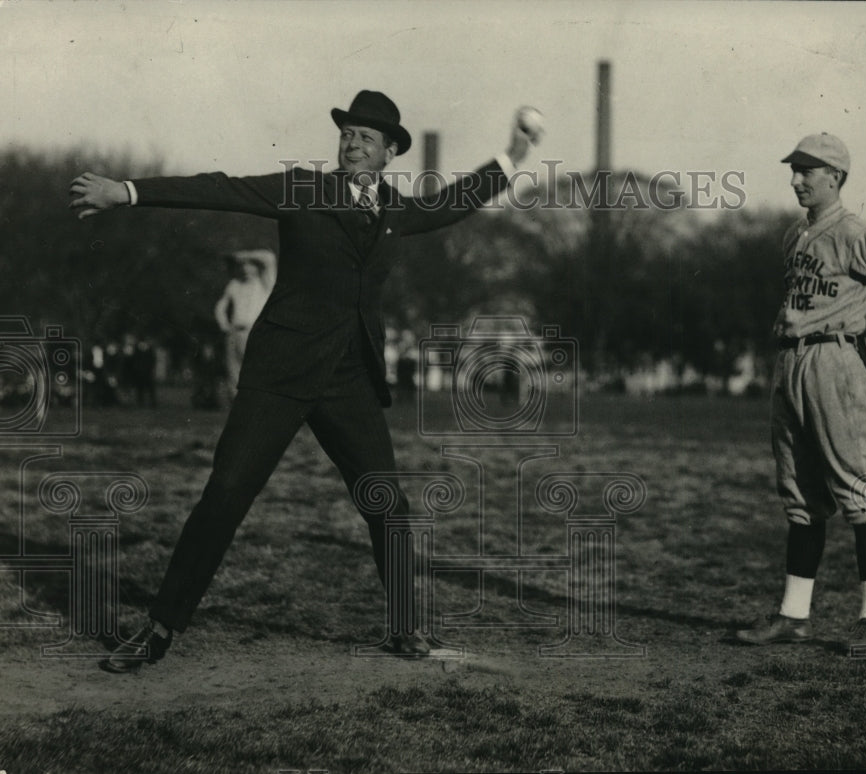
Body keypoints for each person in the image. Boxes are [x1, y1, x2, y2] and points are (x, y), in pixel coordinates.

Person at [69, 89, 534, 672]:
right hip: (281, 373)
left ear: (390, 152)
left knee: (387, 503)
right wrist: (127, 192)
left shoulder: (393, 208)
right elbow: (221, 188)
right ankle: (159, 629)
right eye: (347, 132)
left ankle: (405, 629)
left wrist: (511, 158)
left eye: (367, 136)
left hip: (349, 380)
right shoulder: (303, 189)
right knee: (227, 493)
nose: (352, 141)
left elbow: (451, 203)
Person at [736, 133, 866, 650]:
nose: (796, 179)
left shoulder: (856, 233)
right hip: (793, 364)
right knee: (800, 495)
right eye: (794, 169)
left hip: (837, 364)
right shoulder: (794, 235)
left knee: (863, 490)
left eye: (808, 170)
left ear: (836, 178)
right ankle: (794, 616)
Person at [214, 249, 275, 401]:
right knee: (233, 372)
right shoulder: (235, 284)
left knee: (257, 371)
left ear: (257, 267)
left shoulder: (265, 283)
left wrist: (243, 255)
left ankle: (256, 406)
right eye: (242, 265)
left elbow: (269, 258)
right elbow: (220, 307)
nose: (245, 268)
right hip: (235, 332)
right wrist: (224, 325)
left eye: (250, 265)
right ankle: (237, 406)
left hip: (255, 332)